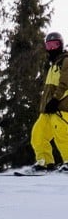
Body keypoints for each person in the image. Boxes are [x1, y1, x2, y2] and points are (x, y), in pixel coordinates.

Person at [27, 32, 68, 173]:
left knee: (61, 134)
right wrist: (46, 104)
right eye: (48, 46)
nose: (51, 49)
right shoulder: (53, 66)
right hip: (48, 109)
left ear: (61, 45)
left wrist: (56, 100)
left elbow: (65, 84)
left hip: (61, 107)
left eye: (54, 45)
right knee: (38, 134)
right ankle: (45, 163)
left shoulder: (66, 61)